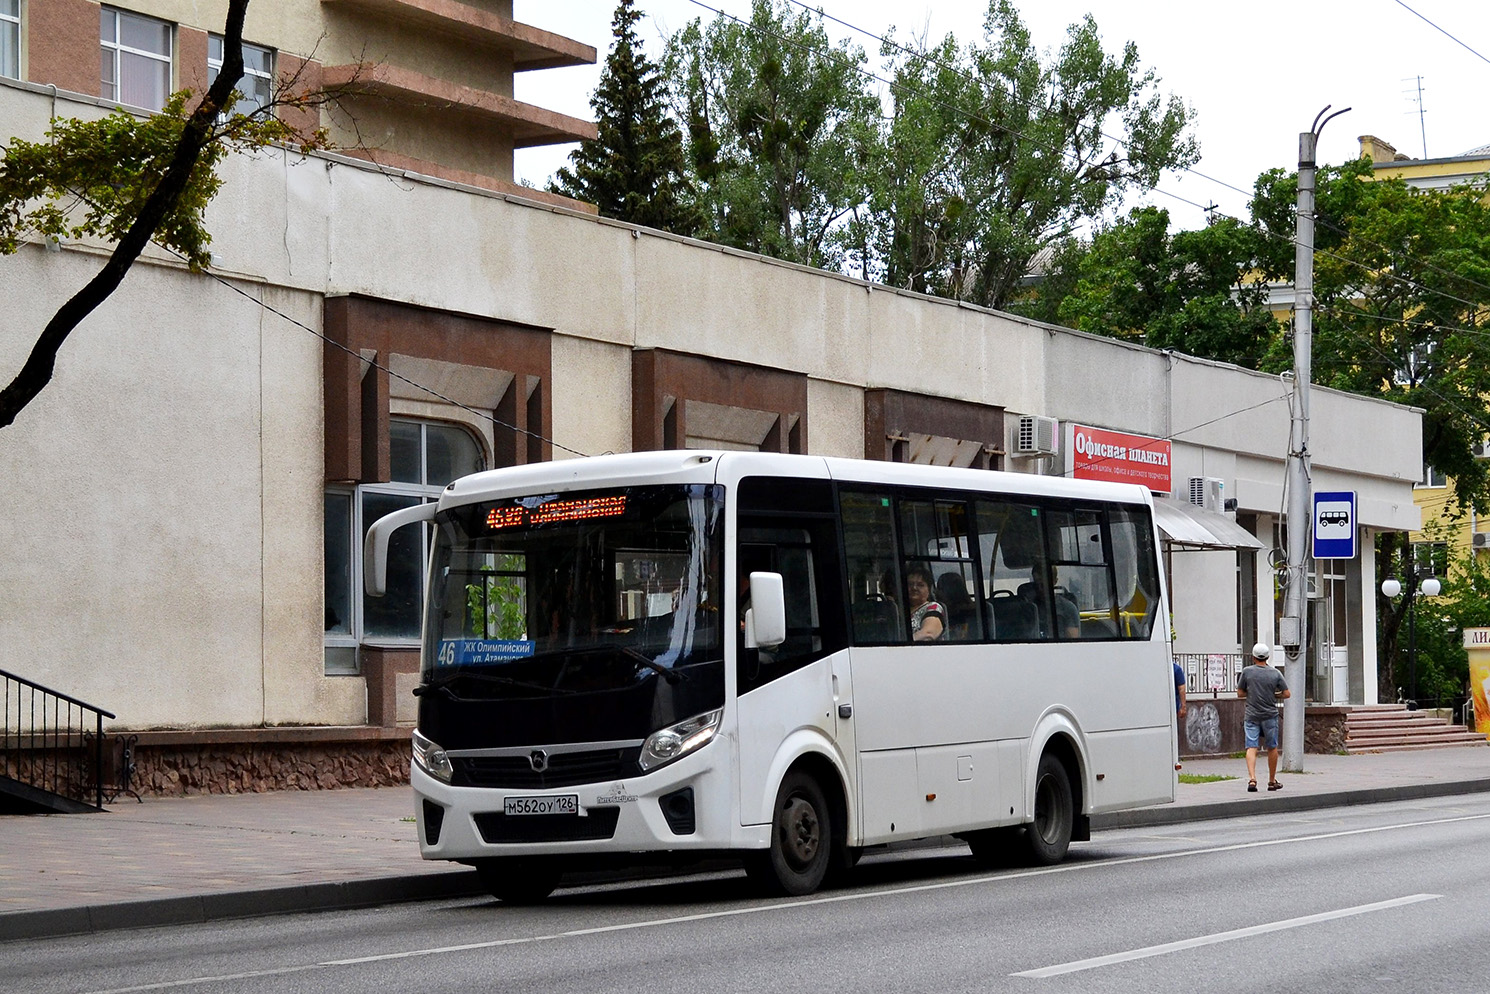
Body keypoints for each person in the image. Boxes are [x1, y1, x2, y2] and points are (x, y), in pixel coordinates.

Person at [1237, 642, 1290, 792]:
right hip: (1270, 715)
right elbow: (1287, 694)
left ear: (1253, 657)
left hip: (1252, 715)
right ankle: (1272, 781)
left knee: (1251, 746)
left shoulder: (1247, 672)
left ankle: (1252, 779)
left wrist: (1252, 693)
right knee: (1272, 747)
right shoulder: (1275, 673)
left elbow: (1240, 693)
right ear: (1268, 657)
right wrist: (1273, 695)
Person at [1023, 568, 1079, 639]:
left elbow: (1072, 641)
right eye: (1036, 584)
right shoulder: (1027, 609)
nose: (1039, 588)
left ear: (1054, 581)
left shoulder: (1067, 608)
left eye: (1043, 584)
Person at [904, 565, 945, 641]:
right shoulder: (900, 610)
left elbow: (928, 634)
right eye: (910, 584)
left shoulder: (933, 608)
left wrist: (903, 643)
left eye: (920, 585)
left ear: (929, 589)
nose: (914, 588)